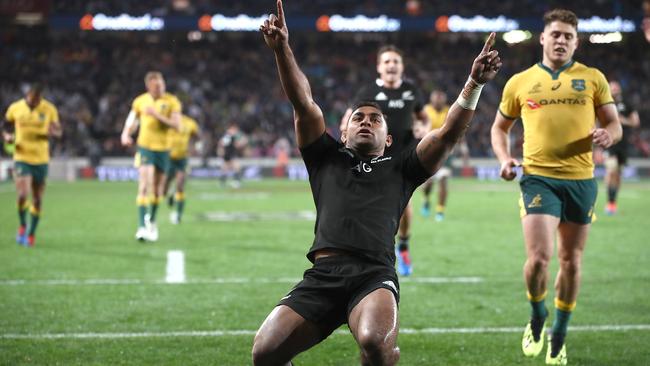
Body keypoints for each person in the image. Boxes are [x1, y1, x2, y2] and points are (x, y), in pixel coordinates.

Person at [253, 1, 501, 364]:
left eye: (375, 119)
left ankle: (386, 354)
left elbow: (448, 134)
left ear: (388, 137)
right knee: (265, 352)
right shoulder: (323, 156)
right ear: (343, 130)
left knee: (373, 342)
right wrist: (282, 50)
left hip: (373, 274)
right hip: (323, 275)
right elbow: (303, 101)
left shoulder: (403, 167)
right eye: (358, 118)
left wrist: (474, 82)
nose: (366, 121)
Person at [490, 9, 622, 365]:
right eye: (556, 34)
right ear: (543, 39)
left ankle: (559, 335)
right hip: (538, 178)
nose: (561, 40)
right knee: (538, 260)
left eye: (568, 35)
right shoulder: (520, 81)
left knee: (571, 260)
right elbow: (499, 128)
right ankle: (537, 315)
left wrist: (609, 134)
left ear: (576, 42)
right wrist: (504, 158)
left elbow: (614, 123)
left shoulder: (593, 79)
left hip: (581, 181)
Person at [339, 42, 428, 276]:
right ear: (379, 67)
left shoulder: (411, 90)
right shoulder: (367, 93)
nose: (391, 65)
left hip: (403, 158)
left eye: (395, 62)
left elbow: (424, 117)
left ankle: (404, 246)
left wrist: (423, 128)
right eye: (387, 62)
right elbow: (349, 119)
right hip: (373, 157)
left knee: (404, 207)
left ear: (402, 67)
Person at [121, 71, 181, 242]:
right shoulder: (140, 101)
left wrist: (157, 115)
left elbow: (176, 125)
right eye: (156, 86)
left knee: (157, 191)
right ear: (149, 86)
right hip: (145, 148)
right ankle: (141, 227)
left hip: (164, 150)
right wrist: (125, 134)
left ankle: (152, 221)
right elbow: (132, 121)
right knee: (144, 186)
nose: (160, 88)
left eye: (162, 85)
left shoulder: (172, 101)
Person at [2, 83, 62, 247]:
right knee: (23, 194)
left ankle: (31, 234)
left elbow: (58, 131)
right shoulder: (15, 108)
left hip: (41, 159)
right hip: (21, 156)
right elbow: (5, 126)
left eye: (38, 99)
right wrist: (7, 136)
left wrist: (53, 133)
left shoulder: (49, 109)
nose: (35, 102)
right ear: (27, 95)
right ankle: (22, 224)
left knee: (37, 199)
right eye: (32, 98)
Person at [420, 89, 469, 221]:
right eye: (436, 98)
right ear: (431, 99)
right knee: (428, 183)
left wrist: (464, 149)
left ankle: (440, 211)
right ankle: (426, 199)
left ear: (444, 100)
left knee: (443, 179)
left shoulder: (450, 111)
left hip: (446, 152)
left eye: (440, 98)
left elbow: (458, 129)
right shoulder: (425, 111)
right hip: (428, 152)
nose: (438, 101)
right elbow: (418, 130)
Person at [603, 80, 640, 215]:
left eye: (616, 88)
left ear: (619, 90)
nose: (614, 91)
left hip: (623, 145)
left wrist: (621, 120)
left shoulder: (627, 104)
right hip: (610, 143)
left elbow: (635, 122)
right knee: (611, 169)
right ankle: (609, 200)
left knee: (617, 174)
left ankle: (612, 202)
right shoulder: (603, 103)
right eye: (611, 88)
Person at [164, 113, 200, 224]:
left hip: (182, 159)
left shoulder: (190, 123)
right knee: (163, 189)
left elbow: (197, 136)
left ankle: (178, 215)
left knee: (180, 185)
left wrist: (195, 147)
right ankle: (170, 194)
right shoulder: (166, 121)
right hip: (168, 158)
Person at [218, 123, 247, 188]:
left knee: (227, 168)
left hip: (229, 153)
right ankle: (235, 182)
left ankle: (224, 183)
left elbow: (222, 143)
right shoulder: (228, 136)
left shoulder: (229, 135)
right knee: (235, 167)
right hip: (229, 153)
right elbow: (222, 143)